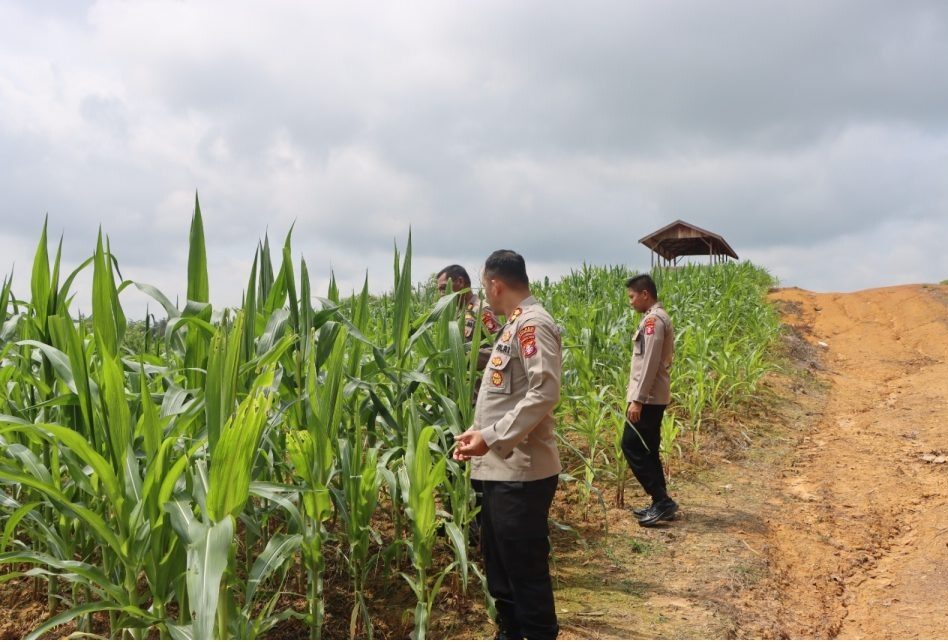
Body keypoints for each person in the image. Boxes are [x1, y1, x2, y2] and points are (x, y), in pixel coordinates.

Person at [454, 250, 562, 640]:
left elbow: (544, 391)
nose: (487, 292)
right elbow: (506, 395)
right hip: (501, 470)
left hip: (522, 473)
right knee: (501, 568)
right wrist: (476, 432)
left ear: (495, 284)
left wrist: (492, 436)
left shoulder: (533, 325)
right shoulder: (512, 326)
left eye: (485, 286)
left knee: (524, 570)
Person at [622, 273, 678, 527]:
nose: (631, 302)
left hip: (649, 398)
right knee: (648, 449)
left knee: (631, 445)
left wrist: (638, 400)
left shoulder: (653, 320)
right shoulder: (654, 318)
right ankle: (661, 501)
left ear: (645, 294)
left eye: (632, 297)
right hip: (653, 396)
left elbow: (650, 363)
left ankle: (661, 500)